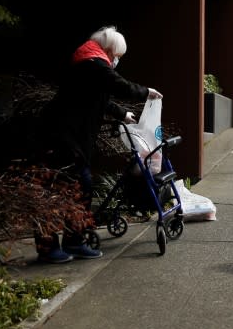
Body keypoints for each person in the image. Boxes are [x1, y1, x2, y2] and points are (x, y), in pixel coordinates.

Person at [35, 26, 162, 263]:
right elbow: (118, 85)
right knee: (67, 187)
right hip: (62, 136)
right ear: (109, 50)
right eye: (117, 56)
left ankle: (70, 242)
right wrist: (147, 92)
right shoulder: (93, 64)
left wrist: (122, 114)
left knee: (74, 187)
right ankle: (55, 246)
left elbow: (98, 99)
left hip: (67, 135)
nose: (116, 61)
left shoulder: (88, 63)